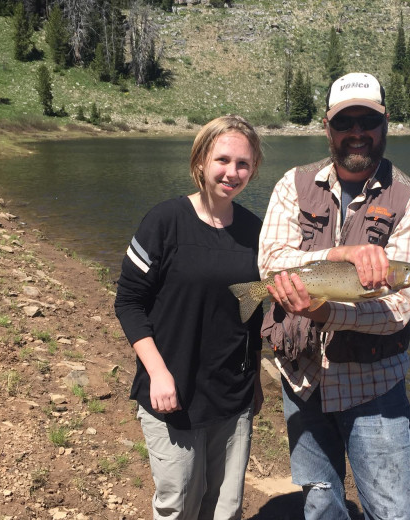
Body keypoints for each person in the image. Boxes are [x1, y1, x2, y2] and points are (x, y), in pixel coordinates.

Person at [258, 72, 410, 520]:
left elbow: (396, 309)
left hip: (373, 386)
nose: (357, 132)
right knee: (320, 501)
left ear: (385, 124)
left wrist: (323, 310)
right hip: (302, 379)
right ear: (328, 127)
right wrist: (342, 253)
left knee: (394, 512)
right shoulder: (292, 185)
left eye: (368, 120)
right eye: (345, 121)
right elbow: (271, 262)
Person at [114, 115, 265, 520]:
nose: (232, 172)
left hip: (232, 394)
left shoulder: (255, 230)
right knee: (177, 501)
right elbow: (128, 302)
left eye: (243, 164)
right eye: (222, 160)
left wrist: (256, 381)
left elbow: (253, 313)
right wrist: (158, 373)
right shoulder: (164, 221)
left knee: (225, 507)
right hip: (172, 391)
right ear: (200, 161)